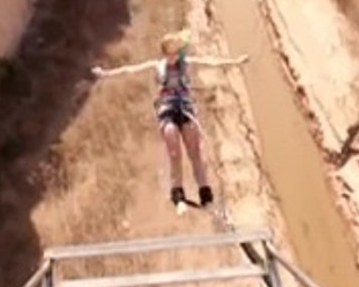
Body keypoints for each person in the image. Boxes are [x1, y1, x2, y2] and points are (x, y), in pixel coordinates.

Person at [91, 30, 249, 211]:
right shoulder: (157, 66)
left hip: (186, 108)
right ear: (166, 52)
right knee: (174, 154)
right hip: (167, 110)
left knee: (195, 153)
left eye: (179, 52)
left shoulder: (186, 64)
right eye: (174, 52)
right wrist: (106, 73)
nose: (177, 56)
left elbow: (210, 63)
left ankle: (206, 195)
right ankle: (178, 196)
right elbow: (130, 70)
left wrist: (235, 62)